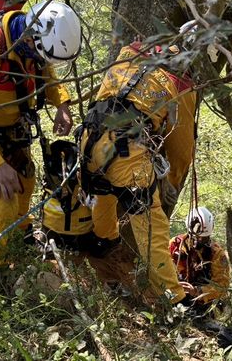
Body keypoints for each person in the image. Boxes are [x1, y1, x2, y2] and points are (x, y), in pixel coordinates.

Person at [0, 0, 82, 299]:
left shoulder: (32, 44)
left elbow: (46, 73)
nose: (42, 60)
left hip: (14, 136)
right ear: (31, 37)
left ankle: (20, 234)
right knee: (2, 192)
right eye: (40, 53)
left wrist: (62, 104)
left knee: (26, 184)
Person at [79, 39, 197, 304]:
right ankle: (172, 297)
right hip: (128, 153)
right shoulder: (180, 86)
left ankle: (103, 253)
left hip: (90, 139)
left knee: (103, 196)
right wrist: (172, 183)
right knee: (151, 226)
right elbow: (181, 149)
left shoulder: (128, 55)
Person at [169, 207, 230, 311]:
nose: (199, 241)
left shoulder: (217, 254)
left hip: (203, 303)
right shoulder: (175, 245)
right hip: (175, 296)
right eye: (196, 237)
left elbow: (222, 287)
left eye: (204, 237)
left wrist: (197, 291)